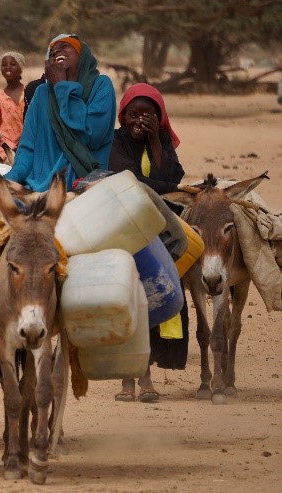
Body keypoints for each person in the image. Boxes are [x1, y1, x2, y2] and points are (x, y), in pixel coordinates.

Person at [109, 82, 189, 402]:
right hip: (125, 228)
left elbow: (174, 177)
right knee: (128, 300)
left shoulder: (164, 141)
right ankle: (131, 381)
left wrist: (156, 141)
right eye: (133, 115)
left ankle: (146, 379)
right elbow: (131, 180)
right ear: (123, 116)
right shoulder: (116, 141)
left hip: (160, 230)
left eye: (149, 116)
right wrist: (162, 186)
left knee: (157, 299)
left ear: (160, 118)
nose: (140, 121)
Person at [4, 34, 116, 192]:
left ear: (81, 54)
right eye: (52, 52)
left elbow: (92, 136)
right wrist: (12, 177)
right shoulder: (42, 93)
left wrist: (62, 86)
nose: (56, 52)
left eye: (64, 46)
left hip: (83, 182)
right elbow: (28, 147)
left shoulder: (101, 85)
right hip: (39, 183)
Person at [0, 52, 25, 163]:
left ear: (21, 68)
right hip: (3, 146)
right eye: (4, 64)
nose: (8, 67)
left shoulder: (29, 92)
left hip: (26, 143)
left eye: (13, 64)